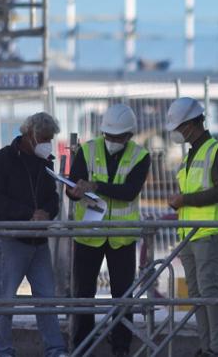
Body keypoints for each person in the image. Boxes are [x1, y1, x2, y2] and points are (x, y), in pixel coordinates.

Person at [67, 104, 151, 357]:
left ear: (129, 135)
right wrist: (73, 191)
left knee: (123, 297)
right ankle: (83, 347)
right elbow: (73, 187)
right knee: (84, 296)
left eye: (118, 137)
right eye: (109, 136)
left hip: (121, 237)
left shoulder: (140, 155)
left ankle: (121, 348)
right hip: (89, 234)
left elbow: (129, 192)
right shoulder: (87, 150)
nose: (113, 141)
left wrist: (96, 185)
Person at [0, 112, 69, 357]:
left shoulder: (46, 163)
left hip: (39, 241)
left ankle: (55, 349)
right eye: (43, 138)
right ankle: (4, 350)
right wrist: (29, 214)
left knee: (46, 299)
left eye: (49, 138)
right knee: (5, 300)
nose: (47, 143)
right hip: (12, 239)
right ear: (29, 134)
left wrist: (46, 214)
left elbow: (52, 197)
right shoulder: (1, 160)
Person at [165, 97, 218, 357]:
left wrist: (185, 200)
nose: (179, 133)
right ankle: (206, 347)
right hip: (188, 232)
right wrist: (180, 202)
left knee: (208, 290)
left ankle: (217, 348)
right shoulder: (191, 154)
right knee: (196, 293)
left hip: (208, 231)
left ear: (193, 124)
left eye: (181, 127)